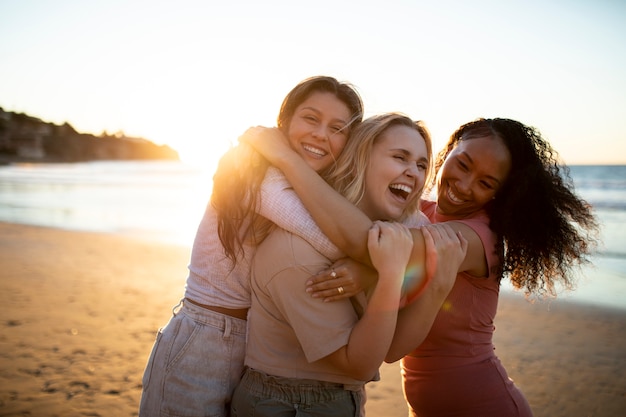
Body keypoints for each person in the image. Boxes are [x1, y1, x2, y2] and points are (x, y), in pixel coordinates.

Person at [240, 117, 599, 416]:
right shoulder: (418, 214)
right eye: (462, 164)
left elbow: (369, 244)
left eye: (486, 183)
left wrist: (289, 162)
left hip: (484, 403)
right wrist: (374, 269)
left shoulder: (474, 239)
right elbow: (391, 279)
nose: (464, 184)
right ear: (448, 152)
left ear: (500, 195)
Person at [138, 76, 365, 417]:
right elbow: (327, 240)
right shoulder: (255, 171)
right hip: (205, 339)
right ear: (284, 121)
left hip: (258, 351)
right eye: (311, 118)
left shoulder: (314, 187)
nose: (321, 134)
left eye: (337, 128)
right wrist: (373, 266)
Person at [230, 113, 468, 417]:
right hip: (287, 404)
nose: (414, 173)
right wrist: (391, 274)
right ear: (360, 159)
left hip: (340, 401)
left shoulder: (392, 242)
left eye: (422, 165)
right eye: (400, 157)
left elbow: (392, 348)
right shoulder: (296, 253)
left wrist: (437, 286)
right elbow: (361, 365)